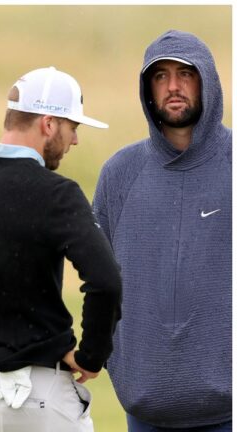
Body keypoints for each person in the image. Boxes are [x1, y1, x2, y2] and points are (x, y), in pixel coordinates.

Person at [95, 30, 231, 432]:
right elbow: (97, 282)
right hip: (145, 409)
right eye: (160, 76)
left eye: (185, 74)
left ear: (207, 81)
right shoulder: (118, 174)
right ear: (147, 89)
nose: (173, 86)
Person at [0, 67, 122, 431]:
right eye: (72, 128)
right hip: (39, 399)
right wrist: (92, 356)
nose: (75, 141)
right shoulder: (55, 193)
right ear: (48, 124)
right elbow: (106, 280)